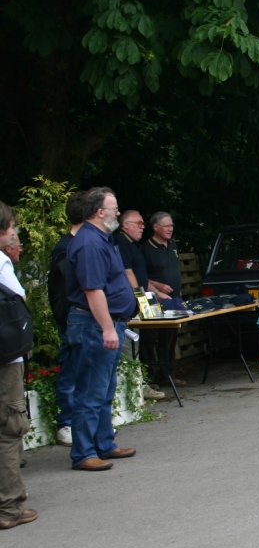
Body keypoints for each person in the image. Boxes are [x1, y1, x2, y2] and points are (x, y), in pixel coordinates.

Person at [65, 186, 137, 471]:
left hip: (104, 324)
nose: (117, 211)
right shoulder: (90, 244)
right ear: (99, 212)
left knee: (104, 389)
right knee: (90, 391)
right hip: (94, 325)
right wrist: (108, 328)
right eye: (114, 207)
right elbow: (93, 290)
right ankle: (83, 453)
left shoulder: (100, 239)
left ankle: (104, 443)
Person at [0, 201, 37, 530]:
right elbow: (17, 304)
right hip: (5, 359)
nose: (15, 235)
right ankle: (9, 507)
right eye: (12, 229)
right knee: (9, 430)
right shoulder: (0, 263)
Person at [47, 193, 87, 446]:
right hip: (71, 318)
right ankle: (67, 423)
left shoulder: (82, 243)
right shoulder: (66, 247)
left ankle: (82, 423)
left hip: (81, 317)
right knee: (71, 370)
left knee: (85, 371)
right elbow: (68, 288)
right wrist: (67, 316)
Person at [114, 210, 165, 401]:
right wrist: (140, 299)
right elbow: (128, 273)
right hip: (128, 303)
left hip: (137, 299)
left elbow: (141, 275)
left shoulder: (134, 245)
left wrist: (156, 292)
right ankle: (135, 388)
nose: (142, 227)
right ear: (125, 225)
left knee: (140, 340)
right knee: (130, 344)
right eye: (139, 223)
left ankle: (140, 382)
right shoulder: (121, 242)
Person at [142, 211, 184, 387]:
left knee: (170, 335)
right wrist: (158, 287)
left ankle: (168, 375)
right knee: (150, 337)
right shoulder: (145, 249)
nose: (170, 229)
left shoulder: (172, 245)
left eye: (172, 225)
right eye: (166, 226)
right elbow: (139, 277)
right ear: (156, 227)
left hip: (173, 298)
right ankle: (150, 377)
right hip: (150, 298)